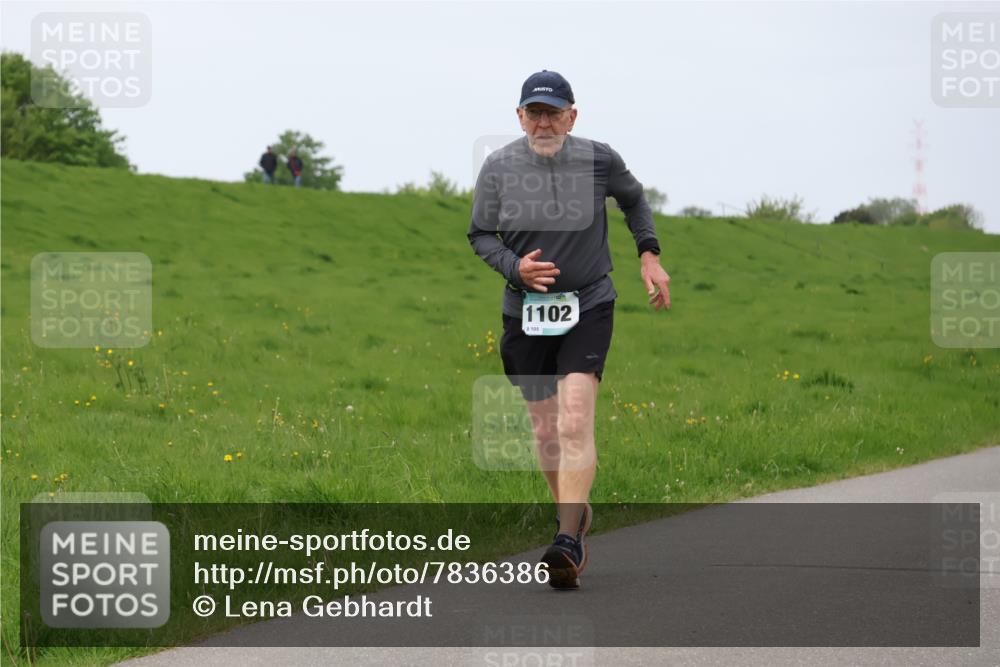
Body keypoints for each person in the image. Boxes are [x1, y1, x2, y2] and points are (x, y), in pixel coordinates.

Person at [468, 70, 672, 590]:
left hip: (589, 305)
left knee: (575, 420)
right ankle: (574, 515)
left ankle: (566, 541)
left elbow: (634, 200)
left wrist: (649, 256)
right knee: (545, 430)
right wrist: (517, 269)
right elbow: (480, 235)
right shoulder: (498, 167)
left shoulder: (599, 159)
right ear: (519, 117)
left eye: (553, 112)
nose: (543, 122)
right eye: (533, 112)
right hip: (525, 313)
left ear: (572, 116)